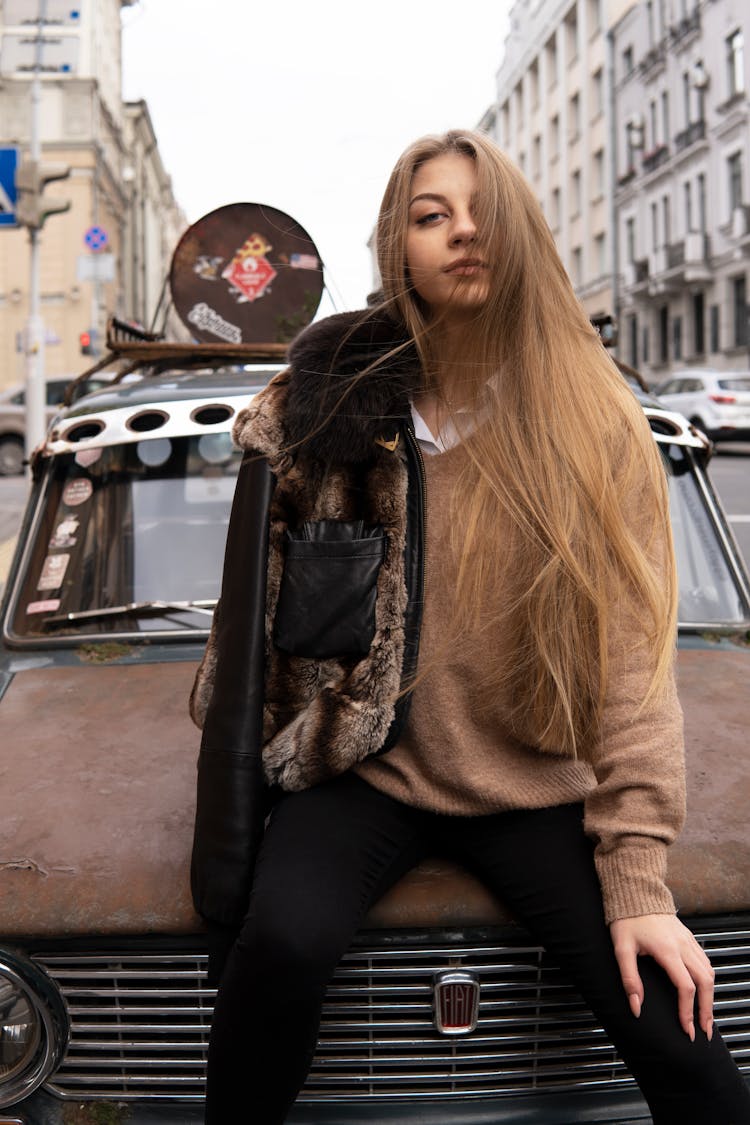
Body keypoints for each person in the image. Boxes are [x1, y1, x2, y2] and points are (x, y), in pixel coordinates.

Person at [189, 129, 750, 1124]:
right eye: (430, 214)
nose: (462, 232)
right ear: (397, 246)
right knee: (274, 951)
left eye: (483, 209)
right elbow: (252, 628)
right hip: (372, 773)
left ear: (524, 231)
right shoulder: (336, 407)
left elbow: (631, 664)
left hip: (536, 782)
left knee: (681, 1038)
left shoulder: (593, 419)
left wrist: (638, 881)